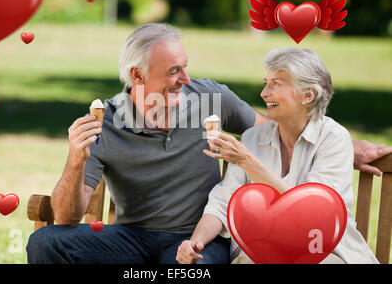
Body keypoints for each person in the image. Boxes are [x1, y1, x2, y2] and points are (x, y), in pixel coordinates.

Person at [27, 24, 390, 264]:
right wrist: (76, 159)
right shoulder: (104, 122)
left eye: (185, 67)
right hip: (132, 239)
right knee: (46, 243)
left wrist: (348, 147)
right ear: (137, 75)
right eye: (173, 72)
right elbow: (66, 218)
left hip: (201, 238)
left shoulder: (211, 98)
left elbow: (276, 130)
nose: (186, 79)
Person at [176, 47, 381, 264]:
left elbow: (313, 216)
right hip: (258, 250)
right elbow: (222, 203)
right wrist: (195, 243)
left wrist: (248, 162)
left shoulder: (334, 139)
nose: (264, 93)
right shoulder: (252, 138)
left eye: (275, 84)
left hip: (323, 250)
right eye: (266, 83)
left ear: (308, 95)